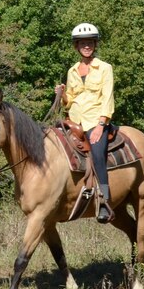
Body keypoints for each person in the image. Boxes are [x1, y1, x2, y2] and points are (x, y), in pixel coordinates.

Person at [55, 23, 115, 223]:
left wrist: (100, 125)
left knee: (97, 153)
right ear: (77, 46)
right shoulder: (72, 71)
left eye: (90, 42)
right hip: (73, 120)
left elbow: (107, 97)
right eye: (83, 43)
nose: (86, 46)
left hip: (94, 121)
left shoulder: (105, 68)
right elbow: (69, 100)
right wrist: (62, 95)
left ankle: (105, 201)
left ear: (95, 45)